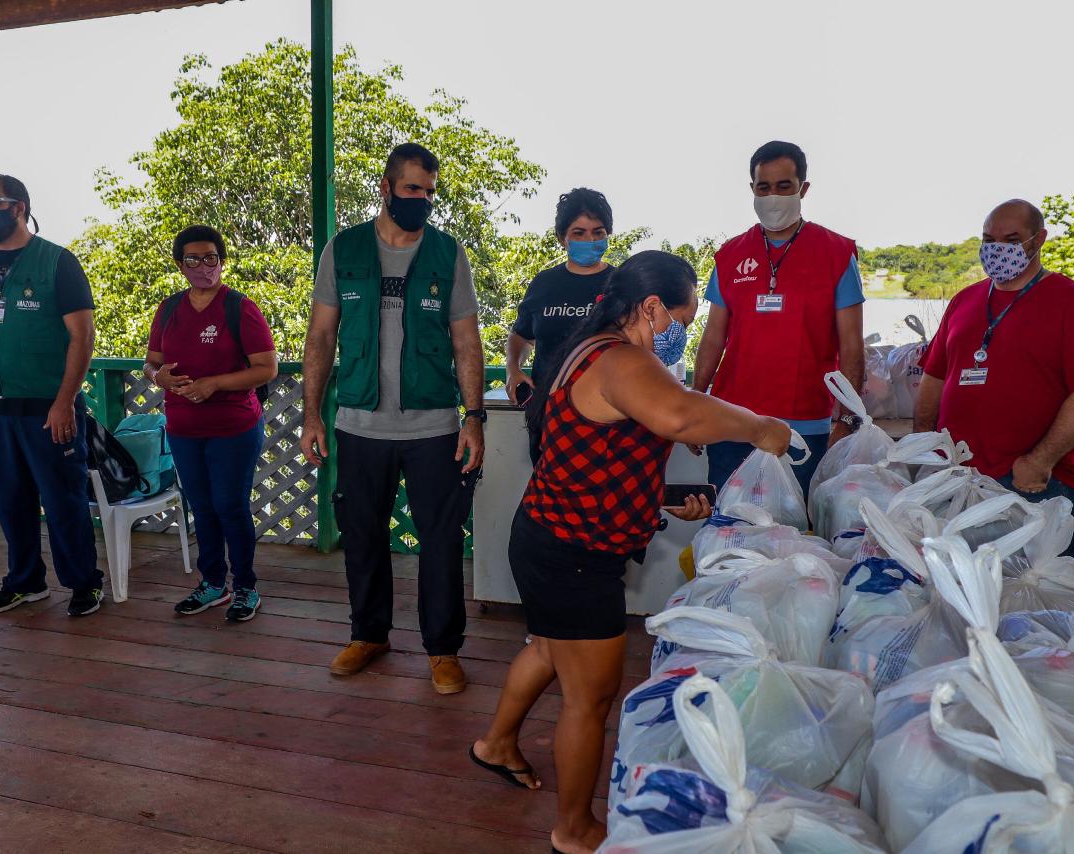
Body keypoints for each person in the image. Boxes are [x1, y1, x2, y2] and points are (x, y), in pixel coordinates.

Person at [471, 251, 791, 854]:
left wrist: (663, 500)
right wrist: (757, 427)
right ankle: (574, 828)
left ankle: (495, 745)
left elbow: (601, 453)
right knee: (590, 698)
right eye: (679, 319)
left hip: (548, 534)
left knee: (546, 650)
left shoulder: (589, 347)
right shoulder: (620, 359)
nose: (680, 335)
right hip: (573, 554)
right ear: (649, 308)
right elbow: (678, 415)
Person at [300, 143, 486, 695]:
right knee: (362, 536)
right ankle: (369, 634)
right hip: (358, 425)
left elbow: (466, 343)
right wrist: (313, 415)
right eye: (412, 190)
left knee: (442, 540)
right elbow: (321, 337)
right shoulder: (345, 250)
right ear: (386, 187)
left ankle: (443, 649)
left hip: (433, 427)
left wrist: (473, 418)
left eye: (430, 192)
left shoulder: (448, 254)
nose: (423, 201)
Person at [915, 199, 1074, 556]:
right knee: (954, 598)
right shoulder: (965, 301)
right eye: (988, 238)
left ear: (1038, 240)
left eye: (1011, 240)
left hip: (1031, 483)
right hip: (956, 481)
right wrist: (923, 447)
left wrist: (1039, 461)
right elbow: (934, 376)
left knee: (1030, 603)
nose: (997, 250)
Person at [0, 173, 105, 616]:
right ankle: (25, 582)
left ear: (19, 207)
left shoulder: (57, 262)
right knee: (12, 501)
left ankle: (83, 584)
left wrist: (63, 402)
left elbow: (83, 336)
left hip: (49, 407)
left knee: (62, 501)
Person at [692, 140, 865, 499]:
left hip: (806, 427)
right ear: (752, 189)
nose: (773, 196)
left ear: (803, 189)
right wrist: (696, 403)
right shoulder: (729, 255)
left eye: (784, 187)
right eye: (763, 187)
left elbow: (851, 345)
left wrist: (847, 420)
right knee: (729, 532)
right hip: (732, 422)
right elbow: (713, 338)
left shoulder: (836, 253)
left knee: (796, 539)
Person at [143, 225, 278, 622]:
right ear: (180, 265)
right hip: (183, 427)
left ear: (221, 261)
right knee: (201, 507)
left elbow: (266, 368)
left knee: (230, 505)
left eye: (210, 258)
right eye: (193, 259)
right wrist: (158, 378)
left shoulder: (240, 307)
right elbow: (150, 361)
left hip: (234, 427)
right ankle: (213, 583)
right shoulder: (168, 309)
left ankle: (246, 587)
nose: (203, 266)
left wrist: (214, 384)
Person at [507, 187, 615, 398]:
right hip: (548, 410)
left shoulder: (622, 284)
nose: (590, 240)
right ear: (561, 237)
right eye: (579, 233)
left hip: (609, 410)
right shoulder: (544, 283)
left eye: (598, 232)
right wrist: (513, 368)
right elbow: (521, 336)